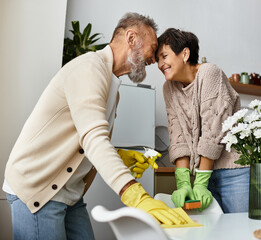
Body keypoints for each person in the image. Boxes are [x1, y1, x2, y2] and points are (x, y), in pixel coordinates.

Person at [3, 13, 187, 240]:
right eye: (152, 48)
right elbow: (93, 138)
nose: (153, 60)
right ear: (131, 38)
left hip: (68, 193)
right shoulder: (90, 68)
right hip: (38, 187)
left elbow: (85, 138)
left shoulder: (112, 85)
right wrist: (135, 195)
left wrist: (120, 155)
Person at [156, 28, 250, 213]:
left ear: (185, 53)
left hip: (233, 172)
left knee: (239, 231)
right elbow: (178, 136)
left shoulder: (209, 73)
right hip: (203, 172)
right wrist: (183, 182)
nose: (160, 64)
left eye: (164, 56)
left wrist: (200, 182)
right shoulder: (169, 88)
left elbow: (213, 131)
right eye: (158, 59)